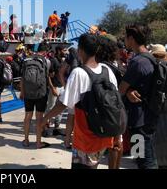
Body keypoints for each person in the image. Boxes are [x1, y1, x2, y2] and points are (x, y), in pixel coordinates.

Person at [43, 34, 121, 169]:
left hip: (86, 136)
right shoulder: (107, 70)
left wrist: (45, 119)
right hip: (105, 133)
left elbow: (63, 104)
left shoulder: (79, 72)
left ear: (80, 51)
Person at [119, 24, 158, 169]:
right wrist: (130, 91)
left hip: (138, 120)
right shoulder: (150, 58)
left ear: (131, 39)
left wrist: (127, 91)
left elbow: (121, 89)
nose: (124, 40)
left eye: (126, 37)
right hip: (150, 115)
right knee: (146, 155)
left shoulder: (137, 61)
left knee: (143, 159)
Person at [95, 35, 124, 169]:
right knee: (117, 142)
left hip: (108, 108)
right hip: (118, 108)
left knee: (113, 144)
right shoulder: (117, 64)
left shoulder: (102, 67)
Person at [20, 42, 56, 149]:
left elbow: (22, 78)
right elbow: (48, 77)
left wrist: (22, 92)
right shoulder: (47, 61)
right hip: (41, 93)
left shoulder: (26, 60)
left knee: (28, 116)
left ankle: (26, 140)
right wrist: (53, 88)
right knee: (39, 117)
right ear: (45, 51)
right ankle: (38, 142)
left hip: (28, 93)